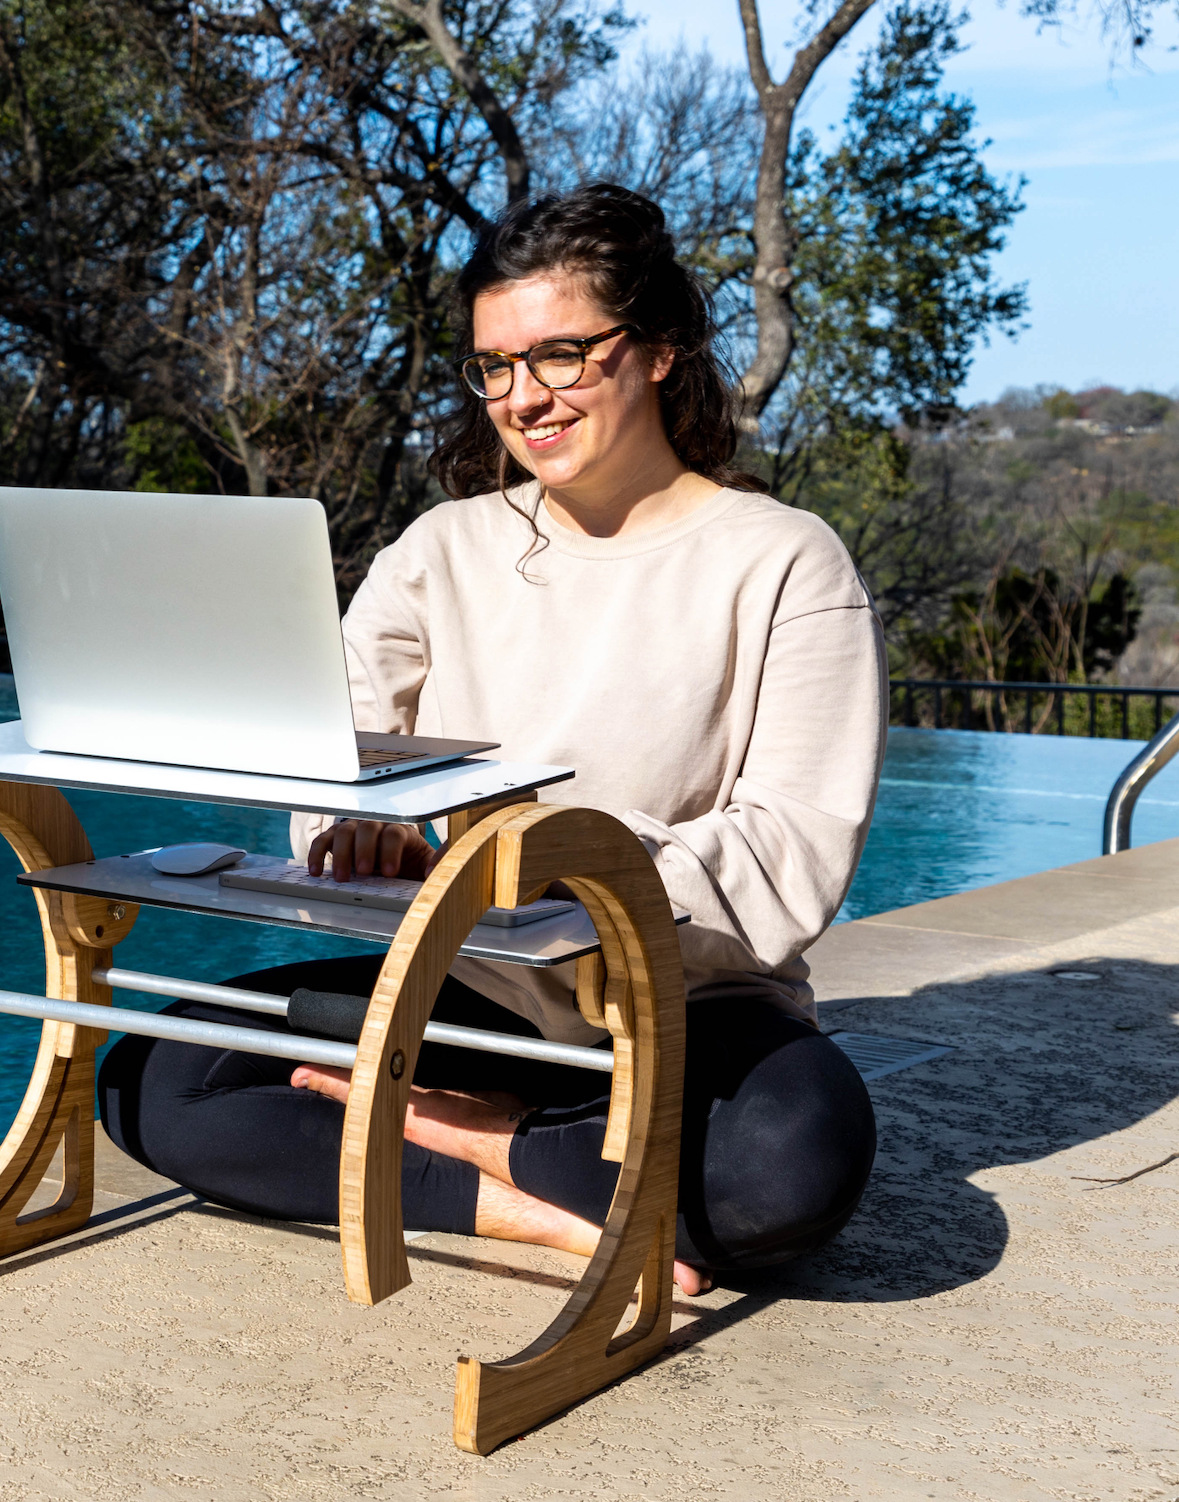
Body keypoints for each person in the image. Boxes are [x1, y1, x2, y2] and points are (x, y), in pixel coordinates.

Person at [98, 183, 885, 1295]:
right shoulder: (440, 548)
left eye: (560, 355)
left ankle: (481, 1134)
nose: (523, 397)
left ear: (658, 347)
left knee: (784, 1168)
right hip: (471, 982)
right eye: (495, 366)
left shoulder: (784, 562)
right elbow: (333, 751)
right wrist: (354, 834)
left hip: (682, 1005)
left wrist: (570, 884)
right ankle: (529, 1201)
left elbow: (789, 848)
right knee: (153, 1076)